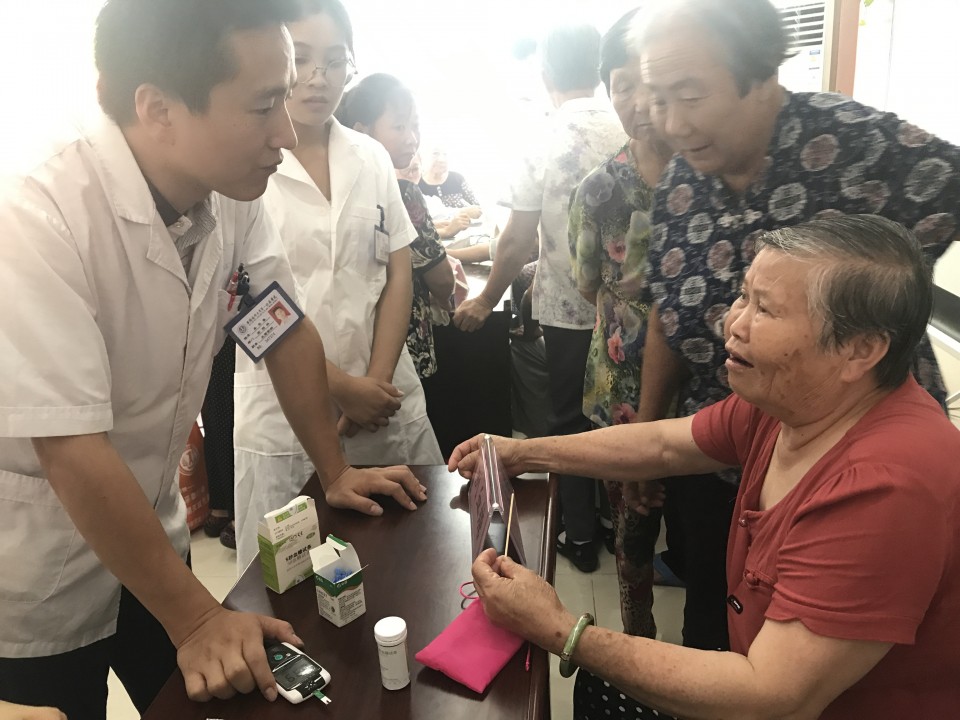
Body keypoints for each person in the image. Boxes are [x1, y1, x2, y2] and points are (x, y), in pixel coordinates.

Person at [0, 1, 424, 717]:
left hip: (149, 529)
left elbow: (278, 329)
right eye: (263, 106)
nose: (286, 133)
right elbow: (69, 445)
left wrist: (335, 470)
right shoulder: (36, 210)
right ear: (159, 109)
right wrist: (196, 619)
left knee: (201, 697)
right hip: (37, 563)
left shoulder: (227, 192)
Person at [453, 215, 960, 720]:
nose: (733, 324)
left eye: (765, 309)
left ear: (860, 350)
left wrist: (560, 630)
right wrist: (523, 453)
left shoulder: (887, 488)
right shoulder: (794, 402)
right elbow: (663, 445)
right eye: (744, 296)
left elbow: (772, 698)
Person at [632, 0, 960, 651]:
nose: (671, 123)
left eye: (690, 95)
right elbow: (667, 316)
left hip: (847, 469)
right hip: (719, 455)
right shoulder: (681, 181)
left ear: (760, 74)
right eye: (658, 99)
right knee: (714, 632)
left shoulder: (857, 145)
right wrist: (646, 439)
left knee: (833, 661)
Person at [232, 2, 442, 568]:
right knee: (290, 580)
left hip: (385, 399)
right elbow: (246, 304)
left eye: (334, 60)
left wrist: (374, 381)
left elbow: (398, 271)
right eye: (300, 59)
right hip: (282, 415)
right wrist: (342, 387)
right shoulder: (244, 163)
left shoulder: (370, 156)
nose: (318, 77)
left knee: (409, 560)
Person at [454, 23, 626, 573]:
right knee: (620, 421)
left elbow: (516, 240)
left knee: (567, 421)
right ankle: (617, 526)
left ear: (546, 73)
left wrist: (484, 300)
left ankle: (579, 536)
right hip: (628, 314)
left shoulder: (544, 137)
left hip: (570, 313)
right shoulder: (629, 123)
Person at [568, 8, 674, 638]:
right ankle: (639, 645)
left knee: (705, 528)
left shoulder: (709, 175)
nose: (637, 102)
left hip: (705, 395)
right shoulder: (600, 189)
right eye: (621, 85)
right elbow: (586, 283)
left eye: (649, 82)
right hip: (621, 392)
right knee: (631, 539)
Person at [337, 73, 456, 380]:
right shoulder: (404, 195)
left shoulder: (335, 191)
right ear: (362, 131)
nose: (412, 138)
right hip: (405, 350)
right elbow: (443, 280)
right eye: (399, 126)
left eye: (415, 125)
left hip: (347, 351)